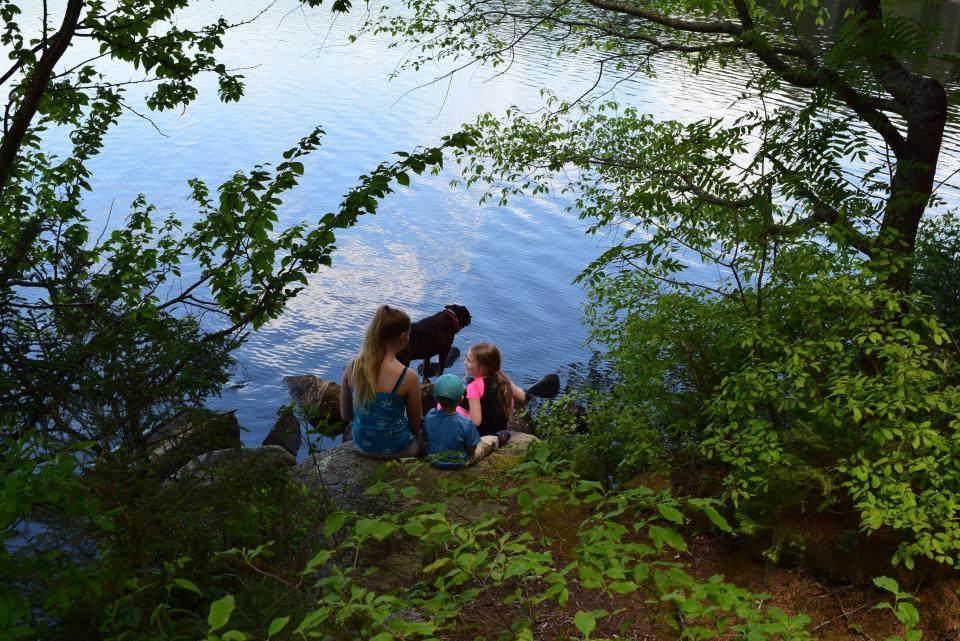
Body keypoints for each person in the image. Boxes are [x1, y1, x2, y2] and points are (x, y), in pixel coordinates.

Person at [339, 305, 424, 459]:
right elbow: (416, 424)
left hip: (361, 446)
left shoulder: (351, 366)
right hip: (397, 450)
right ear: (402, 336)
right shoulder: (408, 376)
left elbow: (345, 415)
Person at [424, 374, 503, 469]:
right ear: (461, 399)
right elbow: (472, 448)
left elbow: (426, 436)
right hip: (459, 462)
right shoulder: (466, 423)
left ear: (434, 397)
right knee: (488, 441)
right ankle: (500, 438)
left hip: (434, 459)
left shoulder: (430, 415)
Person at [458, 342, 525, 437]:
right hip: (501, 432)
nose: (465, 363)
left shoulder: (474, 386)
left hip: (482, 436)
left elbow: (475, 422)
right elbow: (522, 396)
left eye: (469, 360)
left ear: (482, 367)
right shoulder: (503, 379)